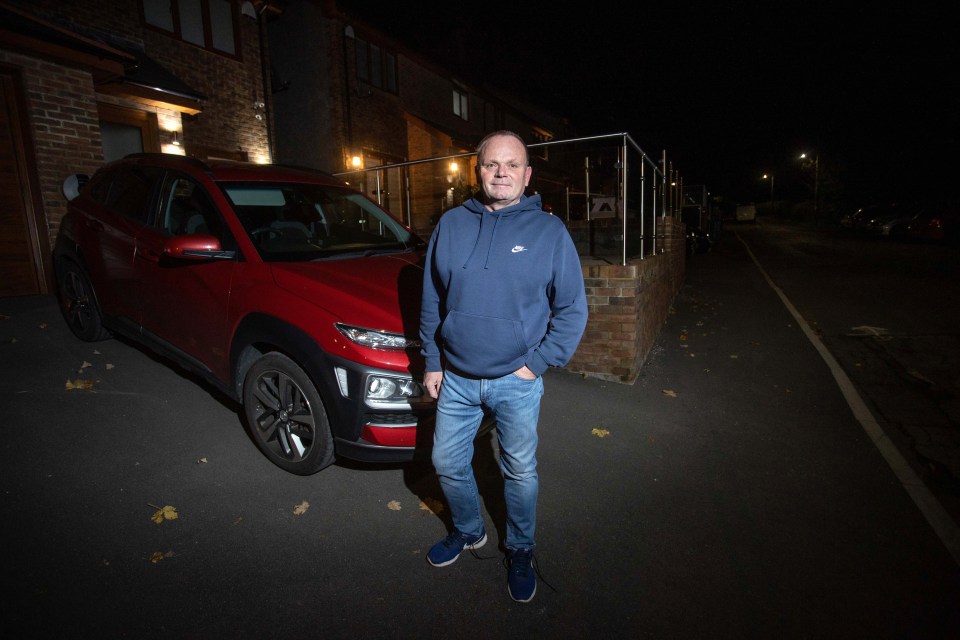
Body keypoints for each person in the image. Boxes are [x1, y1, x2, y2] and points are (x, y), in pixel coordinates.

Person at [419, 130, 588, 603]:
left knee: (519, 471)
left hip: (516, 379)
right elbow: (432, 297)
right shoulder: (452, 224)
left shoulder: (548, 232)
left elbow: (573, 307)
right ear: (479, 171)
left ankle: (520, 547)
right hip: (457, 376)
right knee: (446, 461)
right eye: (493, 164)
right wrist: (433, 362)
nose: (502, 173)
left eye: (512, 165)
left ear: (527, 175)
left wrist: (536, 364)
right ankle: (470, 530)